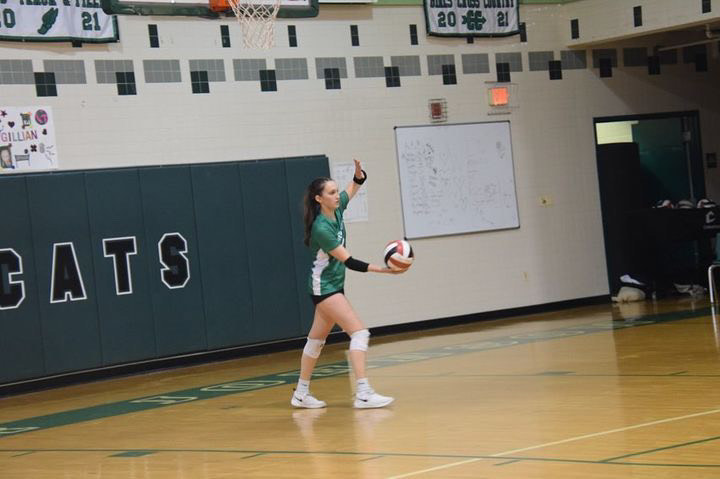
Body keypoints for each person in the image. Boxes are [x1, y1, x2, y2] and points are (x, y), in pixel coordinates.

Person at [292, 159, 402, 409]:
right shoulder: (321, 228)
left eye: (335, 190)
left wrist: (359, 175)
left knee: (316, 340)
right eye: (331, 192)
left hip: (331, 285)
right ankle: (363, 392)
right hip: (325, 288)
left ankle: (300, 393)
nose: (337, 195)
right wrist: (384, 270)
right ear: (319, 199)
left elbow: (354, 187)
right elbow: (348, 261)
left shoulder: (337, 208)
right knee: (360, 333)